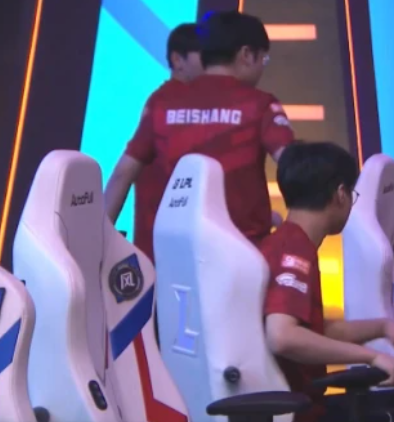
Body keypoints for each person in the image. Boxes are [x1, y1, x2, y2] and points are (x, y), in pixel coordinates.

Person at [104, 11, 293, 254]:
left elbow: (122, 174)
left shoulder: (162, 105)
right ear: (246, 54)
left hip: (168, 256)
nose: (262, 68)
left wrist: (96, 242)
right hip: (240, 256)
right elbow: (293, 166)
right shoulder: (260, 105)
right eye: (263, 59)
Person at [262, 141, 394, 422]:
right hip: (298, 412)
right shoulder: (293, 250)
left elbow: (315, 329)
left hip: (303, 403)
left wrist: (382, 327)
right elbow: (282, 336)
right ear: (341, 194)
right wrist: (370, 357)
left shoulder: (285, 242)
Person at [105, 23, 203, 260]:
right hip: (168, 248)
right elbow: (123, 173)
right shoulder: (168, 103)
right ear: (177, 60)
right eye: (205, 56)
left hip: (167, 247)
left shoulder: (160, 101)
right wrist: (96, 237)